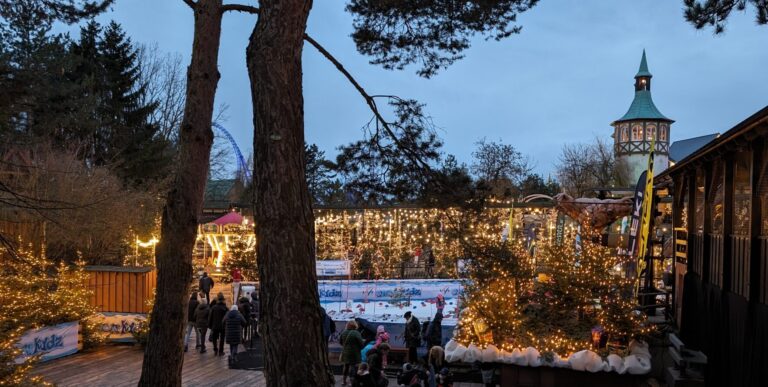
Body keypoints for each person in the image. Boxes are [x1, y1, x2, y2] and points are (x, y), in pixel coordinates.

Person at [340, 320, 364, 386]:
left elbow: (340, 342)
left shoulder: (344, 332)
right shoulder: (356, 333)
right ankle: (351, 382)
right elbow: (361, 344)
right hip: (354, 353)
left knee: (346, 366)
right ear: (355, 325)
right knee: (353, 367)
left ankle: (343, 381)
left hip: (345, 352)